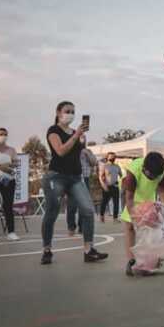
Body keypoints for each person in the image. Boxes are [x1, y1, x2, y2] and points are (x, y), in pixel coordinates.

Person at [41, 101, 108, 264]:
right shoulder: (53, 131)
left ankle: (89, 250)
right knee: (52, 212)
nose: (70, 114)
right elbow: (61, 151)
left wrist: (82, 142)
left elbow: (80, 153)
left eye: (73, 112)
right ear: (58, 113)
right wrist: (76, 135)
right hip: (56, 176)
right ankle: (47, 250)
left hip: (76, 177)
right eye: (67, 111)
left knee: (88, 210)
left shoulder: (76, 133)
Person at [121, 152, 164, 275]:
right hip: (133, 200)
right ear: (144, 168)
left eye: (155, 176)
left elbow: (162, 191)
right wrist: (134, 218)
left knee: (151, 231)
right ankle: (131, 261)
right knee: (130, 228)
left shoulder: (160, 171)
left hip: (148, 201)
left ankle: (149, 262)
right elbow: (129, 198)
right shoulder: (133, 171)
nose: (153, 178)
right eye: (150, 175)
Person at [67, 136, 97, 236]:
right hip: (72, 179)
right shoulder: (70, 150)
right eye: (80, 139)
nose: (82, 141)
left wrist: (87, 153)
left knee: (83, 205)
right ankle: (71, 227)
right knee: (72, 205)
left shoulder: (88, 151)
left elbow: (94, 163)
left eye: (84, 139)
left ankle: (82, 227)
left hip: (85, 179)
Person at [99, 152, 122, 223]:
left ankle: (115, 218)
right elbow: (100, 177)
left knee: (116, 202)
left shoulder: (117, 166)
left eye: (114, 157)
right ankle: (101, 216)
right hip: (107, 186)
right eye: (111, 157)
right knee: (104, 202)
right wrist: (104, 186)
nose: (112, 158)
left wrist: (121, 183)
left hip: (115, 186)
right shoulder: (104, 166)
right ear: (107, 157)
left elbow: (121, 175)